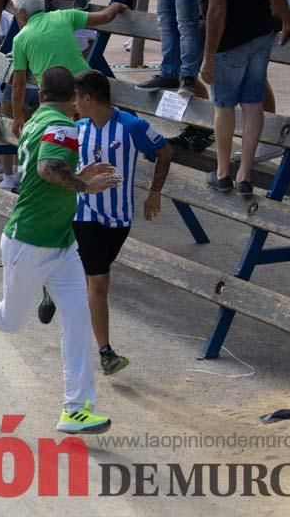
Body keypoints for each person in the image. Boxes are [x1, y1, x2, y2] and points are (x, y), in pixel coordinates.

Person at [0, 66, 121, 435]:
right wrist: (85, 183)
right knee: (10, 320)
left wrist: (81, 171)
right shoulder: (65, 125)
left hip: (60, 243)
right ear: (74, 100)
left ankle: (76, 408)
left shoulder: (37, 120)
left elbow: (47, 169)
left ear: (41, 92)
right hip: (30, 242)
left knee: (79, 318)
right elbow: (48, 168)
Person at [70, 70, 173, 375]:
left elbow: (165, 151)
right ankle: (106, 352)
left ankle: (53, 284)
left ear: (88, 99)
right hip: (84, 213)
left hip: (120, 219)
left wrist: (155, 192)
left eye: (77, 97)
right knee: (99, 282)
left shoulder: (132, 126)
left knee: (92, 278)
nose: (74, 103)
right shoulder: (77, 129)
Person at [192, 0, 287, 196]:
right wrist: (286, 19)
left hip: (230, 39)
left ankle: (222, 173)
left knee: (223, 105)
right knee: (252, 102)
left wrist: (208, 55)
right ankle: (245, 174)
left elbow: (217, 7)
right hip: (261, 33)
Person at [8, 0, 130, 137]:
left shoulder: (20, 39)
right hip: (87, 86)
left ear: (22, 13)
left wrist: (17, 117)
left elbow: (18, 84)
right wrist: (115, 6)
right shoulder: (64, 15)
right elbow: (105, 16)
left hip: (56, 97)